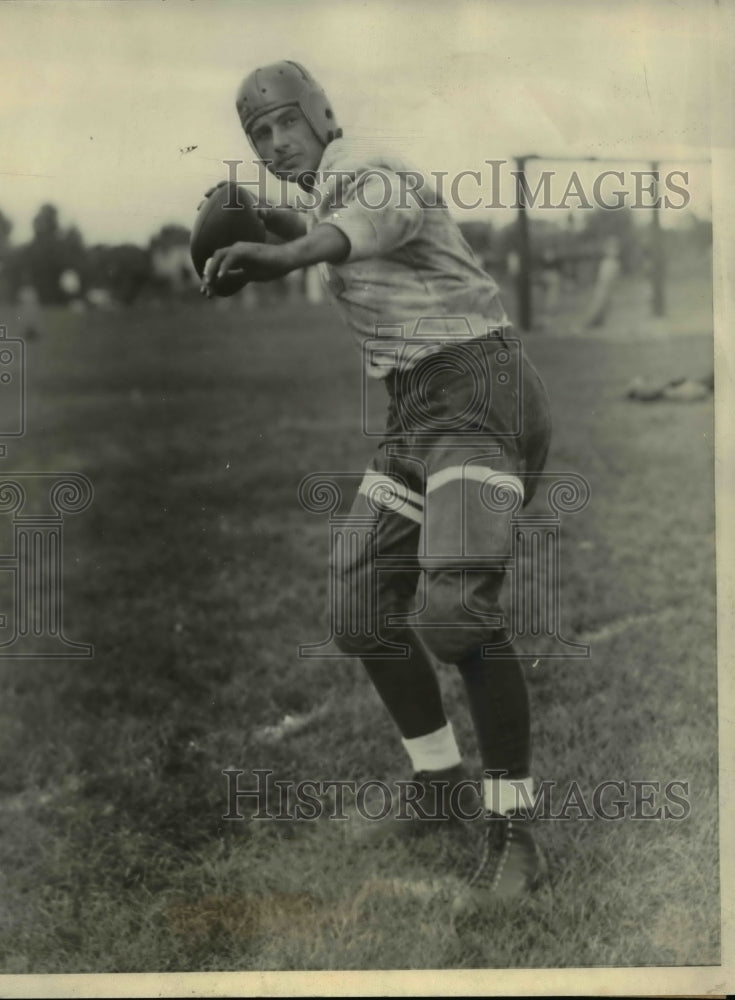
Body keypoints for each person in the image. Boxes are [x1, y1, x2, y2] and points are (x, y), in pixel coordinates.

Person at [202, 61, 553, 900]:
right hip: (416, 411)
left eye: (284, 122)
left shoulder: (368, 164)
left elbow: (365, 220)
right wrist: (273, 234)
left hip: (478, 394)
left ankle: (513, 832)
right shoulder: (331, 187)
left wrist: (283, 250)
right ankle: (437, 787)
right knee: (358, 602)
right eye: (258, 135)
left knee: (453, 613)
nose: (273, 141)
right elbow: (336, 223)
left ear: (322, 114)